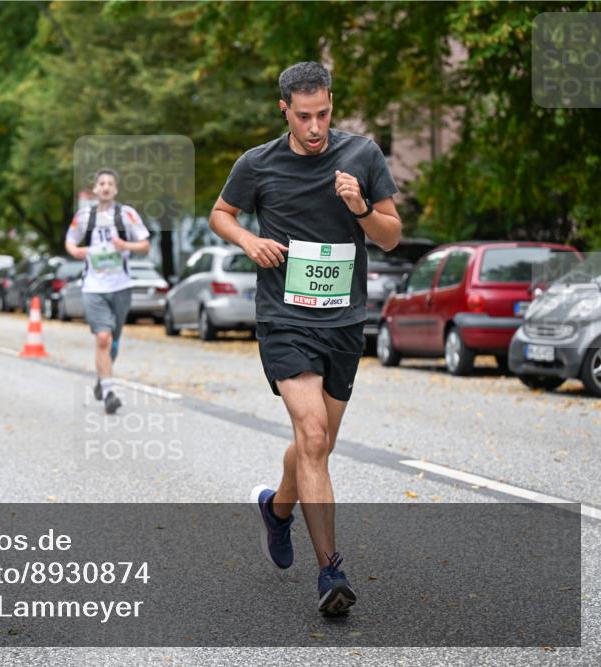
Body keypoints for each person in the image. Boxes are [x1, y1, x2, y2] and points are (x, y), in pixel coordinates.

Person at [209, 62, 401, 616]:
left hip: (342, 323)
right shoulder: (258, 163)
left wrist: (360, 207)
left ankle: (277, 508)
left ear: (331, 105)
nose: (315, 127)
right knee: (313, 436)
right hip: (284, 318)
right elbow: (222, 213)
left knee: (319, 442)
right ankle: (330, 572)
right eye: (303, 116)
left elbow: (390, 237)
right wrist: (248, 239)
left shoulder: (362, 155)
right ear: (284, 111)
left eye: (323, 114)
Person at [64, 169, 150, 415]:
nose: (105, 187)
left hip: (121, 286)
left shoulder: (127, 215)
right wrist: (75, 251)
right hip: (93, 286)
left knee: (114, 340)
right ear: (95, 189)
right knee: (103, 338)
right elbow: (70, 240)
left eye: (110, 183)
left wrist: (126, 245)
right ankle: (110, 393)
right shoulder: (83, 217)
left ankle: (102, 379)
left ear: (116, 189)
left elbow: (145, 245)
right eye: (101, 183)